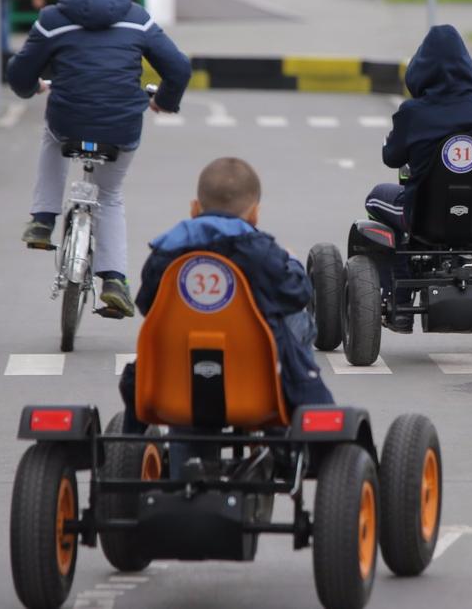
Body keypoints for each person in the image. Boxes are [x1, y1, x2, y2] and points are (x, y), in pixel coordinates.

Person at [7, 0, 191, 315]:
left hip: (68, 120)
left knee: (51, 135)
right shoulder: (137, 17)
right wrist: (164, 102)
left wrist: (31, 88)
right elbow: (179, 67)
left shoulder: (52, 19)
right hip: (121, 127)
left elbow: (20, 73)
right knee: (109, 195)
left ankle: (42, 219)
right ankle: (114, 280)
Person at [118, 157, 334, 434]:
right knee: (296, 319)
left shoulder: (166, 250)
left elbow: (147, 305)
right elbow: (297, 294)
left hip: (177, 380)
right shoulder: (260, 251)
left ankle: (147, 447)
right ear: (254, 214)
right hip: (257, 381)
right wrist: (291, 263)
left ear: (195, 209)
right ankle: (286, 434)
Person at [364, 25, 472, 327]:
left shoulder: (412, 113)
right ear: (469, 68)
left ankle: (400, 301)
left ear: (420, 71)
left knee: (376, 199)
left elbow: (392, 157)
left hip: (422, 221)